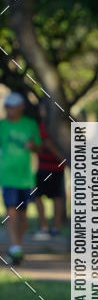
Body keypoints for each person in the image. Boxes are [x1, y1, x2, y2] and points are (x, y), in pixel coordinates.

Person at [0, 91, 41, 265]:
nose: (9, 110)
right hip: (7, 175)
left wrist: (33, 146)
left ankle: (18, 245)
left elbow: (39, 147)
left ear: (20, 107)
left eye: (12, 107)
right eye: (6, 107)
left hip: (25, 177)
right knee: (11, 210)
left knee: (23, 213)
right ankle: (15, 247)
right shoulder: (1, 125)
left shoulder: (30, 125)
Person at [33, 101, 66, 238]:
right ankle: (48, 227)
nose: (40, 111)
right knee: (45, 196)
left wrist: (61, 158)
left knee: (51, 197)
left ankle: (49, 227)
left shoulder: (49, 126)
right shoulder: (47, 125)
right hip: (44, 166)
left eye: (42, 108)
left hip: (50, 167)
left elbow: (46, 142)